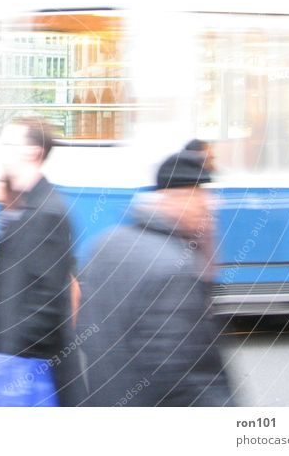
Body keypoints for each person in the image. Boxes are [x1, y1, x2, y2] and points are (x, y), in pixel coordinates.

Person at [77, 150, 233, 406]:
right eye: (200, 195)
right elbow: (181, 374)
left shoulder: (104, 245)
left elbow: (85, 328)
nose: (210, 205)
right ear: (174, 197)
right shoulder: (173, 268)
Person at [0, 117, 82, 406]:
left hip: (29, 372)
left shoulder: (47, 212)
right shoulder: (26, 206)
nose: (2, 152)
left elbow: (45, 307)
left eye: (9, 144)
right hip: (14, 363)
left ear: (33, 152)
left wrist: (11, 371)